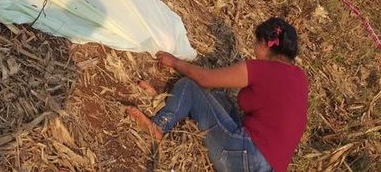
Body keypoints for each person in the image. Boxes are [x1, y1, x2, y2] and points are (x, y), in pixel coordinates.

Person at [127, 17, 308, 172]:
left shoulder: (261, 69)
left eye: (255, 42)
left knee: (191, 85)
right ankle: (167, 102)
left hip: (242, 156)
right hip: (266, 167)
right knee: (220, 97)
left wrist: (174, 62)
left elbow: (205, 79)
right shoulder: (300, 78)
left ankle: (159, 126)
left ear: (264, 43)